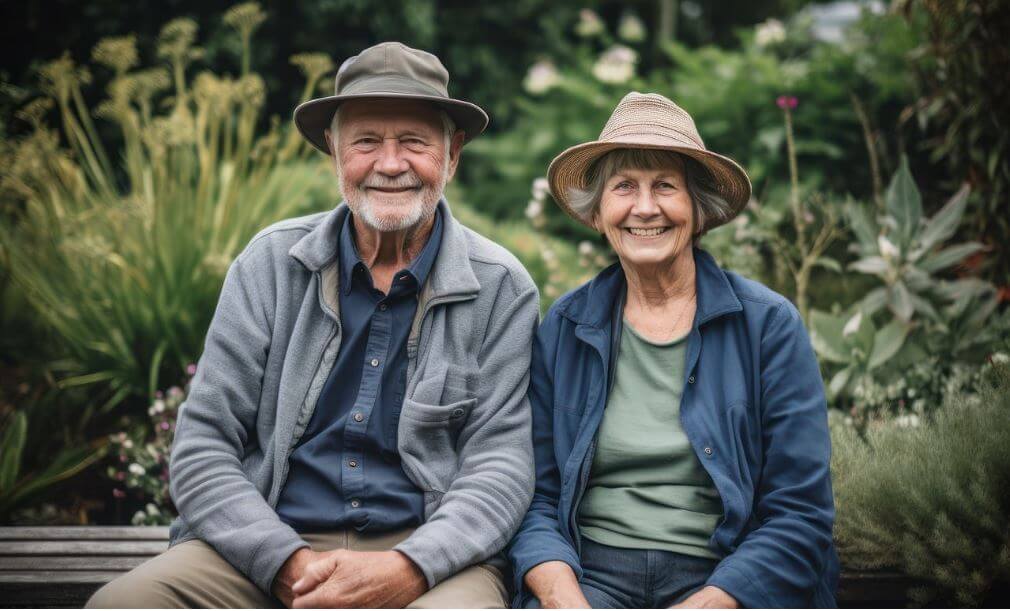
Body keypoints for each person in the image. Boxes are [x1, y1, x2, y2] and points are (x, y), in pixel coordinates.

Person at [88, 42, 539, 609]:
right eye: (367, 141)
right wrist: (284, 563)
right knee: (123, 604)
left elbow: (502, 466)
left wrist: (409, 568)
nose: (391, 163)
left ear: (452, 156)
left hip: (430, 553)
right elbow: (203, 443)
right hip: (268, 537)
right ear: (334, 151)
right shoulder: (270, 263)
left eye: (415, 143)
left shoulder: (500, 285)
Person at [507, 92, 838, 609]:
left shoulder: (769, 326)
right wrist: (563, 597)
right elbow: (536, 497)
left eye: (665, 186)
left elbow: (799, 511)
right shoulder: (566, 328)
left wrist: (712, 600)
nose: (645, 207)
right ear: (598, 214)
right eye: (623, 188)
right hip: (590, 573)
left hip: (724, 575)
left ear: (698, 210)